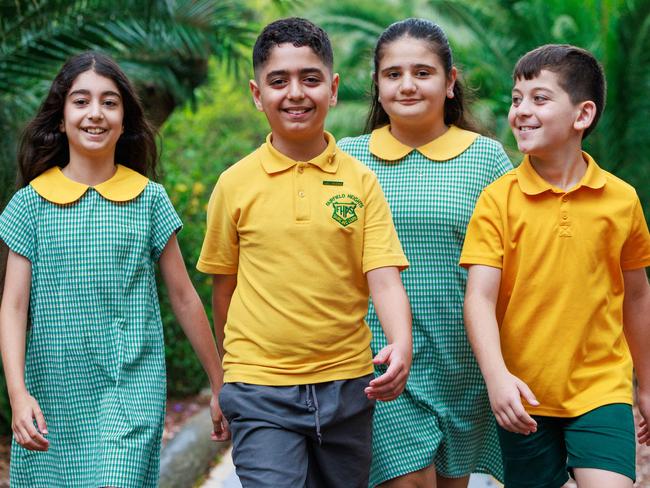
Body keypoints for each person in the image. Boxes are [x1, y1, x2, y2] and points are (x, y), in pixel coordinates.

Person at [197, 17, 412, 488]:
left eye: (310, 79)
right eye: (279, 81)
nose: (295, 93)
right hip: (260, 390)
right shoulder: (234, 185)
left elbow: (383, 276)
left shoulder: (361, 182)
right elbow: (225, 289)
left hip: (348, 386)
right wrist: (226, 378)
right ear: (258, 95)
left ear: (332, 89)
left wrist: (400, 341)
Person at [0, 52, 228, 487]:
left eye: (109, 102)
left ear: (124, 120)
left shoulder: (149, 199)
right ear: (60, 117)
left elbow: (183, 296)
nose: (95, 113)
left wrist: (219, 382)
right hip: (53, 394)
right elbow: (13, 305)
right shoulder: (30, 204)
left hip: (130, 391)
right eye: (81, 101)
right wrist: (17, 392)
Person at [461, 44, 650, 488]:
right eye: (515, 99)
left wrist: (646, 384)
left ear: (582, 115)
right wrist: (498, 379)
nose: (521, 111)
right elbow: (478, 297)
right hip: (522, 396)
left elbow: (637, 295)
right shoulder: (498, 200)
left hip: (600, 389)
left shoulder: (621, 200)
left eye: (539, 99)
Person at [338, 18, 511, 488]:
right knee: (408, 480)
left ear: (450, 82)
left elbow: (508, 265)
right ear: (376, 84)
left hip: (460, 359)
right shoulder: (344, 159)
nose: (407, 85)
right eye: (392, 74)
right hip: (378, 359)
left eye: (422, 72)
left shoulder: (489, 160)